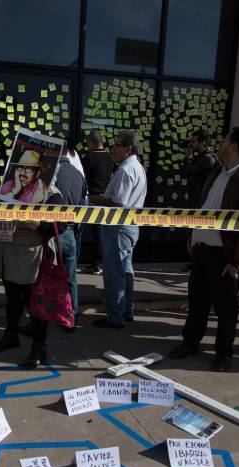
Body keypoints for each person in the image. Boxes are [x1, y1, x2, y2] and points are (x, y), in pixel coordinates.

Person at [170, 126, 239, 372]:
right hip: (203, 249)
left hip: (225, 257)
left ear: (234, 146)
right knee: (197, 302)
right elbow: (204, 207)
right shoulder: (218, 172)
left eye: (226, 139)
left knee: (226, 309)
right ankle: (190, 342)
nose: (221, 142)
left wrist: (238, 261)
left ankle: (223, 353)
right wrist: (193, 236)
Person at [0, 197, 64, 368]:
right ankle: (10, 335)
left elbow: (61, 226)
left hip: (33, 257)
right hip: (8, 251)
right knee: (12, 299)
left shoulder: (51, 194)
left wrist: (40, 225)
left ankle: (38, 347)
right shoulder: (9, 187)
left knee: (35, 304)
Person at [90, 130, 147, 329]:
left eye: (116, 146)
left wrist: (96, 199)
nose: (113, 150)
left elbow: (119, 203)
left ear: (128, 148)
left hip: (119, 227)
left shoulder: (125, 170)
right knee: (126, 271)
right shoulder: (136, 167)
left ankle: (115, 316)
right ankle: (126, 311)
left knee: (115, 273)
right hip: (130, 226)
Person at [53, 151, 88, 328]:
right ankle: (71, 316)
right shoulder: (78, 174)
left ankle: (50, 314)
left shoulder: (53, 172)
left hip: (54, 232)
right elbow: (84, 202)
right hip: (71, 232)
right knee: (70, 278)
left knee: (49, 277)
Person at [79, 132, 114, 275]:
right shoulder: (109, 158)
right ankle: (99, 263)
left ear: (92, 142)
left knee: (80, 230)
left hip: (91, 198)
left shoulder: (89, 158)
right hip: (105, 199)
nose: (87, 145)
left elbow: (82, 176)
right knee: (101, 234)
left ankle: (80, 259)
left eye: (88, 142)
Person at [182, 129, 218, 208]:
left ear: (203, 143)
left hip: (200, 202)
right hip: (195, 199)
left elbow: (189, 171)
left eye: (193, 142)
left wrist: (187, 158)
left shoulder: (208, 159)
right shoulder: (200, 157)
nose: (190, 145)